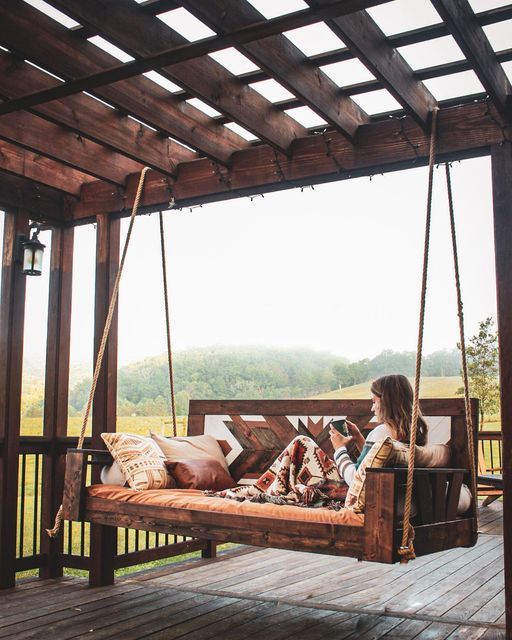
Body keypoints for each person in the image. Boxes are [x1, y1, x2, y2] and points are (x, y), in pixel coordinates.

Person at [330, 374, 428, 486]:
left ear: (387, 402)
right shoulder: (413, 432)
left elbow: (355, 479)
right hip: (401, 498)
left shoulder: (382, 433)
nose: (372, 408)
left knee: (305, 443)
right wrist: (358, 438)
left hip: (373, 500)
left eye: (374, 401)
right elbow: (376, 462)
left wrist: (339, 449)